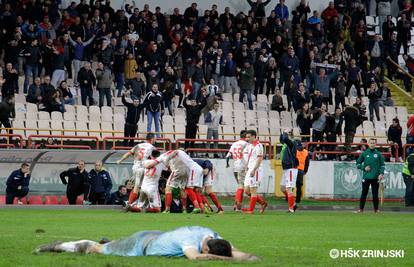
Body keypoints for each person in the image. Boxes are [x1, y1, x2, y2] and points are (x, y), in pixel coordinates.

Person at [35, 226, 258, 262]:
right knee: (96, 249)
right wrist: (223, 259)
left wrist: (248, 257)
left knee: (109, 245)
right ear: (208, 248)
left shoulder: (211, 233)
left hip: (155, 235)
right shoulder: (190, 243)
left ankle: (112, 242)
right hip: (141, 244)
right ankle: (57, 246)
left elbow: (233, 251)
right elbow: (194, 257)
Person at [117, 133, 156, 206]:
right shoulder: (152, 147)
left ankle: (130, 203)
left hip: (136, 167)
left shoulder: (138, 145)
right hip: (145, 167)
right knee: (146, 186)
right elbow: (155, 158)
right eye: (155, 138)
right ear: (152, 139)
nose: (155, 140)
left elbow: (128, 153)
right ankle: (145, 204)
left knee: (136, 187)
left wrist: (120, 160)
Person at [356, 138, 385, 213]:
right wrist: (364, 168)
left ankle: (376, 210)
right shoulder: (364, 153)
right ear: (368, 144)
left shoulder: (378, 154)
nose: (372, 144)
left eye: (373, 143)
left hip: (375, 177)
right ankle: (361, 209)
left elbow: (382, 165)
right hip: (366, 177)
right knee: (364, 193)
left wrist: (381, 173)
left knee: (375, 194)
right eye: (371, 143)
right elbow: (357, 164)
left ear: (376, 144)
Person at [242, 130, 267, 214]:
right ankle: (263, 203)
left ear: (254, 136)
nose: (247, 139)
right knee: (246, 190)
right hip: (249, 169)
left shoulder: (259, 146)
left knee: (253, 190)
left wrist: (254, 170)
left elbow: (259, 159)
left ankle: (250, 210)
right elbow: (248, 158)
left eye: (249, 137)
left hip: (256, 170)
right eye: (246, 137)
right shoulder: (249, 145)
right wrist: (247, 168)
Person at [226, 130, 248, 211]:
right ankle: (237, 205)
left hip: (235, 167)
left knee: (240, 186)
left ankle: (237, 205)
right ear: (246, 136)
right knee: (242, 186)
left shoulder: (234, 144)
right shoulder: (246, 144)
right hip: (242, 167)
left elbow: (227, 156)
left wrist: (227, 164)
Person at [280, 129, 298, 213]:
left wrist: (285, 133)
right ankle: (293, 204)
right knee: (283, 188)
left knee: (289, 188)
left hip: (291, 168)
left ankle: (291, 209)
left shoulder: (292, 144)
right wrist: (283, 132)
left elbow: (285, 139)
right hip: (286, 168)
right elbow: (282, 139)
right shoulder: (286, 144)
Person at [295, 140, 309, 210]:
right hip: (301, 170)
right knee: (299, 187)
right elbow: (307, 163)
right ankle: (297, 201)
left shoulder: (294, 151)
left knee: (290, 186)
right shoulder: (306, 152)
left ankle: (289, 200)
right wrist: (305, 171)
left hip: (294, 170)